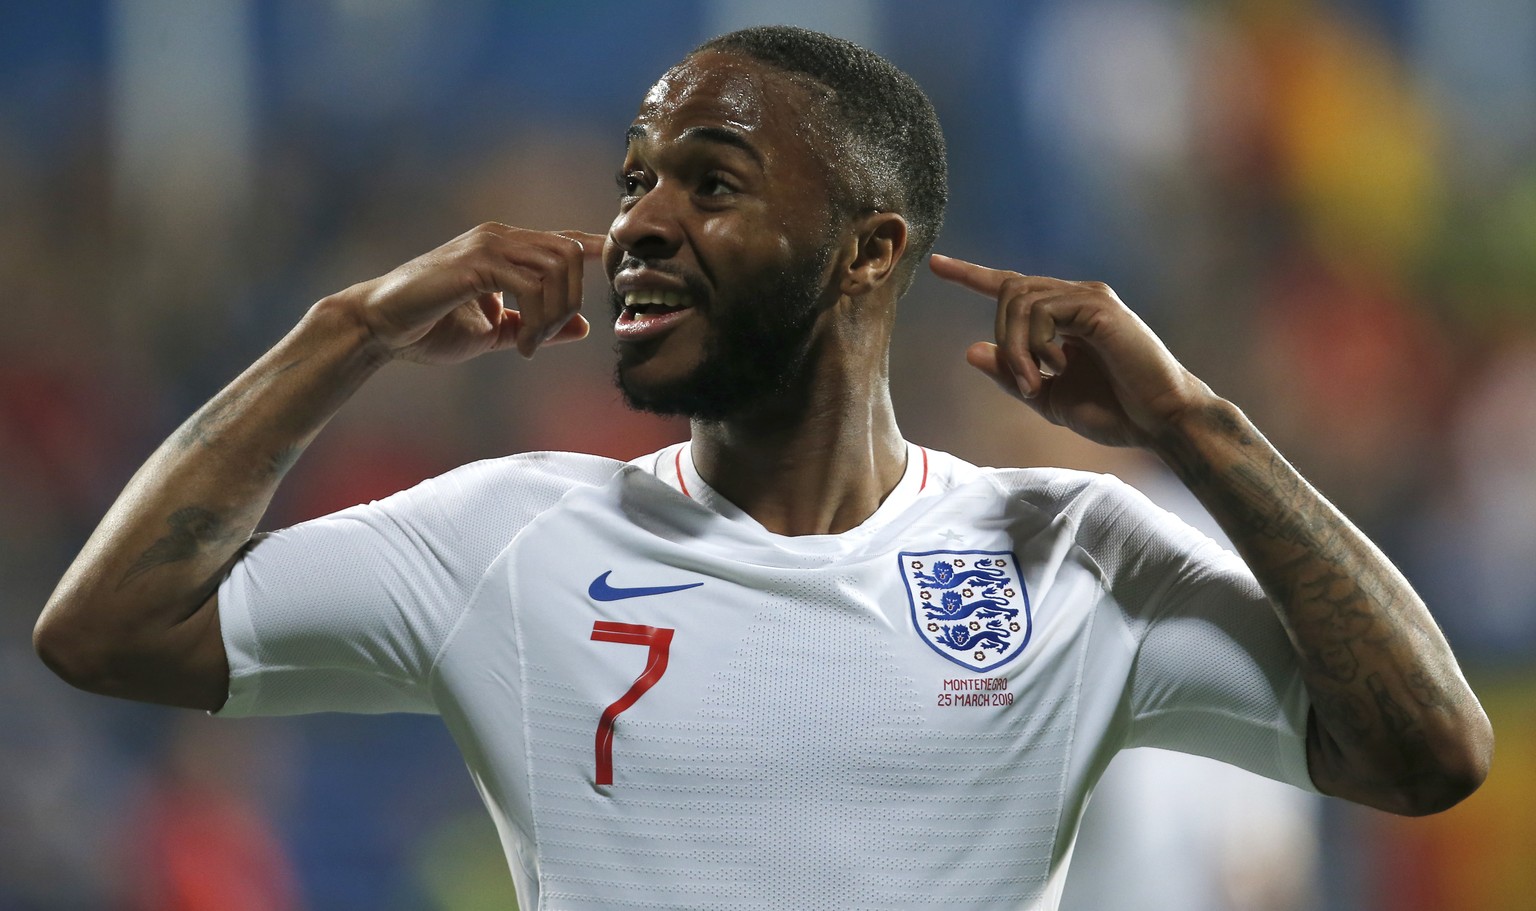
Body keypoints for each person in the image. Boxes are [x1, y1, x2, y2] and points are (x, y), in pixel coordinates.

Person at [35, 25, 1490, 910]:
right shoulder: (508, 534)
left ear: (871, 254)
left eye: (710, 184)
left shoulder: (1068, 551)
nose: (640, 227)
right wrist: (343, 331)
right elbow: (105, 634)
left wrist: (1199, 430)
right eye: (634, 184)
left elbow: (1432, 755)